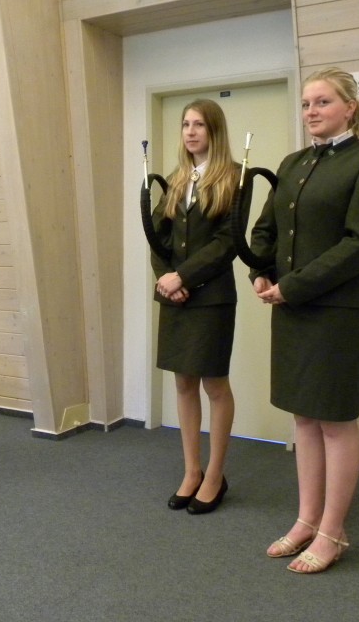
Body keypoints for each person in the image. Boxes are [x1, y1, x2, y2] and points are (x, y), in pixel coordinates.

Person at [250, 68, 359, 574]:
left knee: (334, 418)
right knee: (303, 417)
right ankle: (306, 520)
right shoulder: (293, 163)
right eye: (306, 103)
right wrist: (260, 270)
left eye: (323, 102)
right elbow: (267, 229)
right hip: (290, 306)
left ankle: (333, 532)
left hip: (334, 310)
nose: (311, 111)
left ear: (349, 107)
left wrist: (293, 286)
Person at [151, 99, 238, 515]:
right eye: (186, 124)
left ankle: (216, 476)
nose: (190, 132)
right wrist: (167, 280)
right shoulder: (175, 179)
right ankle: (192, 471)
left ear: (213, 131)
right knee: (183, 384)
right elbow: (156, 237)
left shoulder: (234, 177)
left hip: (211, 297)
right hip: (176, 297)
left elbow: (227, 243)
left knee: (214, 387)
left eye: (199, 124)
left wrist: (183, 277)